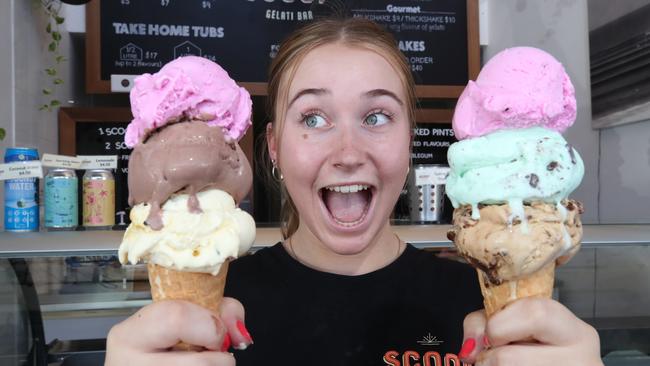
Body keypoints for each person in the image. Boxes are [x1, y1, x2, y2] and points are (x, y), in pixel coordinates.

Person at [105, 18, 603, 366]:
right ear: (274, 147)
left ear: (410, 141)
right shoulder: (205, 316)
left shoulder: (481, 305)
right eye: (313, 118)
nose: (347, 151)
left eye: (376, 117)